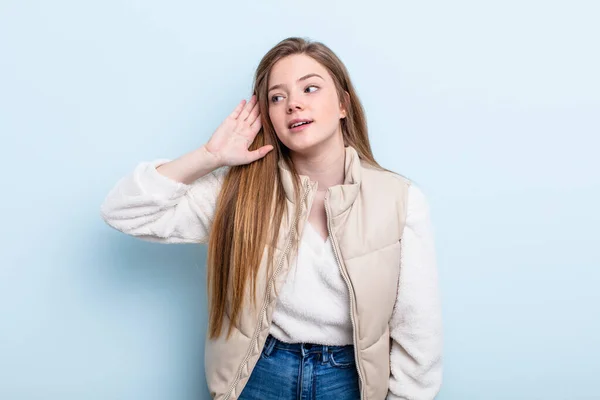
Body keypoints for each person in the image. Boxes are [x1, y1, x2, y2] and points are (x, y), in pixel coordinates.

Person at [100, 36, 443, 400]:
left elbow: (418, 332)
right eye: (277, 97)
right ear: (269, 118)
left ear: (343, 104)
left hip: (349, 380)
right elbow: (123, 211)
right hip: (258, 374)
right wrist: (210, 156)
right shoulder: (241, 194)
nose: (293, 103)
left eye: (310, 88)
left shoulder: (399, 200)